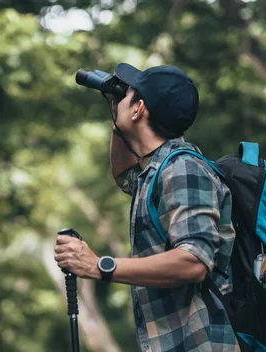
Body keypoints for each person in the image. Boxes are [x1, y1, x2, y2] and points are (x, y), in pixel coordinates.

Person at [54, 63, 238, 351]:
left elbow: (194, 261)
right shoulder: (156, 170)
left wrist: (99, 266)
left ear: (139, 109)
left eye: (129, 95)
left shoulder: (183, 168)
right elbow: (123, 174)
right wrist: (118, 114)